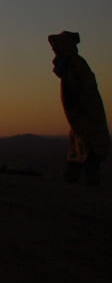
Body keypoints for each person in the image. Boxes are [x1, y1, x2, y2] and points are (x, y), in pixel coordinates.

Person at [49, 31, 109, 185]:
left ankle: (90, 184)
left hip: (86, 118)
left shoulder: (76, 65)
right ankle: (72, 181)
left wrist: (83, 115)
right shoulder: (70, 64)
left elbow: (85, 94)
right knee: (78, 149)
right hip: (79, 119)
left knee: (89, 150)